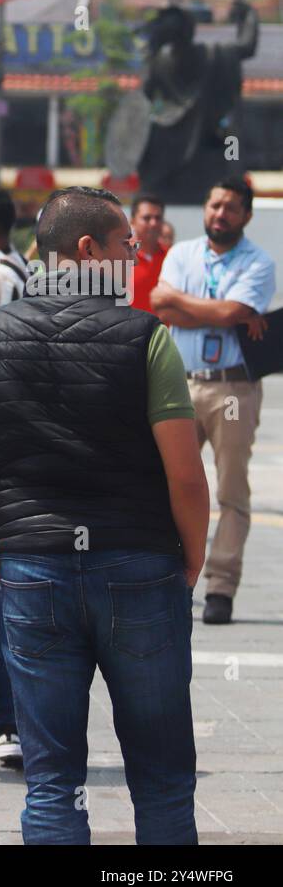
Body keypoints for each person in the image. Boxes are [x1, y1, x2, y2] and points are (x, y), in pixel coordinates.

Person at [0, 185, 210, 845]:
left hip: (32, 571)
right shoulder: (143, 338)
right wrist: (193, 559)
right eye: (128, 245)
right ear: (87, 249)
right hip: (141, 567)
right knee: (161, 776)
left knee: (52, 780)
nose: (135, 256)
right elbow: (186, 474)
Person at [151, 177, 276, 626]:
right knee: (167, 481)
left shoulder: (259, 263)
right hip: (178, 384)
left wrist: (199, 308)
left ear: (246, 216)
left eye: (230, 208)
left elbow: (224, 313)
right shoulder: (181, 254)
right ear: (205, 207)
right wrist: (225, 311)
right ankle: (169, 575)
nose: (220, 214)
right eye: (215, 204)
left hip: (232, 388)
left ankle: (221, 587)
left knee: (231, 490)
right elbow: (160, 306)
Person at [130, 194, 167, 314]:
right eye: (146, 218)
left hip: (164, 332)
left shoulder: (173, 257)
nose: (153, 223)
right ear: (133, 222)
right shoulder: (119, 258)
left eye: (158, 218)